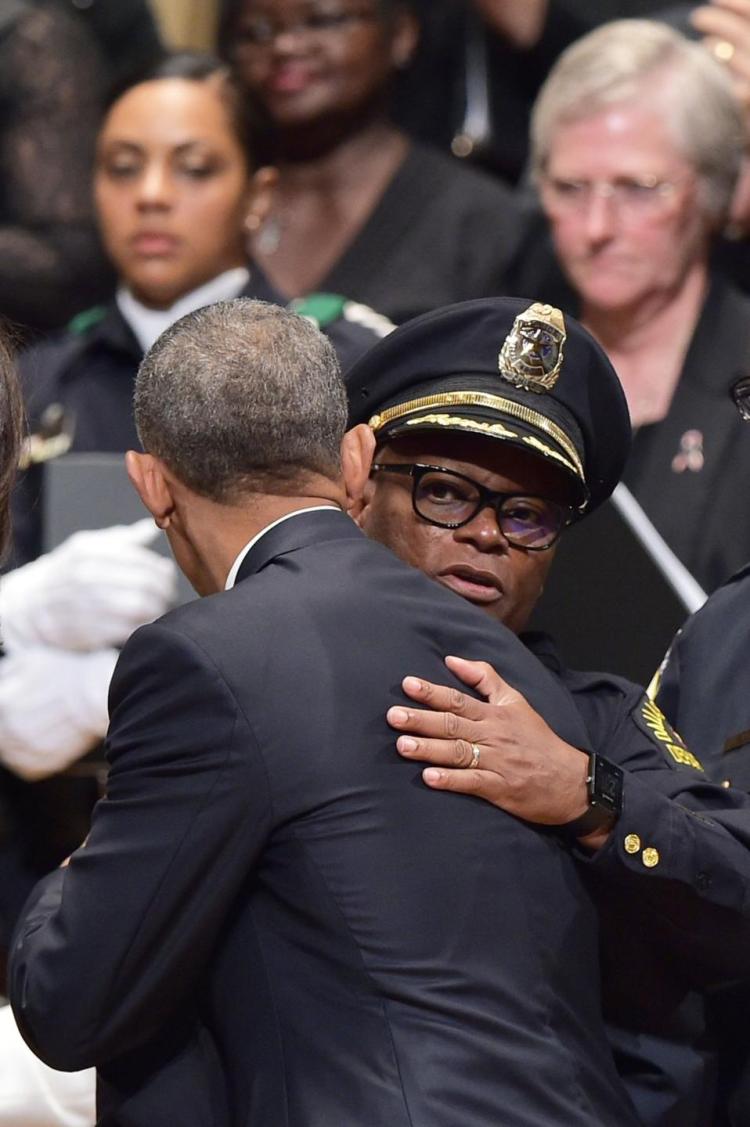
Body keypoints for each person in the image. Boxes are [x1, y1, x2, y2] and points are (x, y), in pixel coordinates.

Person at [9, 297, 645, 1127]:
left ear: (152, 486)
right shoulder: (516, 671)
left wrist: (69, 886)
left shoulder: (202, 657)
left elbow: (69, 1000)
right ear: (354, 462)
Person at [0, 51, 393, 975]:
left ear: (259, 194)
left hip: (290, 838)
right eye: (122, 165)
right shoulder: (40, 376)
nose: (151, 195)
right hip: (50, 841)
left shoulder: (342, 357)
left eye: (193, 166)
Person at [345, 295, 750, 1127]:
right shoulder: (263, 677)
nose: (487, 534)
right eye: (446, 492)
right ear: (360, 485)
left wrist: (587, 795)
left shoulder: (600, 724)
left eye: (527, 514)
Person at [519, 18, 750, 593]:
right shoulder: (509, 364)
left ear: (714, 191)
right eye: (570, 188)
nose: (596, 228)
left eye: (638, 188)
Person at [218, 0, 531, 323]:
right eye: (257, 32)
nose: (284, 46)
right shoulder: (207, 201)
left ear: (401, 34)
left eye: (323, 20)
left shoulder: (478, 220)